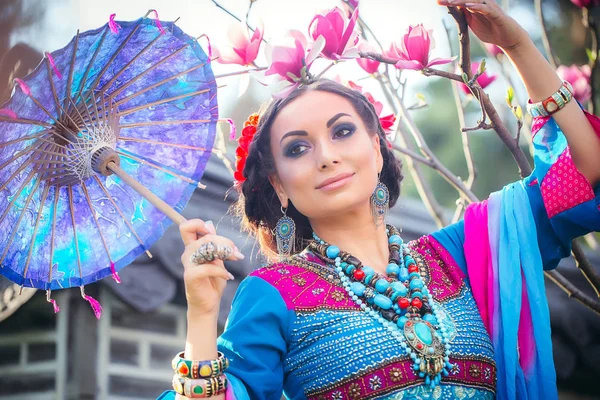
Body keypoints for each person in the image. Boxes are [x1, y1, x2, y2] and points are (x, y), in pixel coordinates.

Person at [159, 1, 600, 399]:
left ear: (376, 148)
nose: (327, 156)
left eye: (342, 131)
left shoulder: (463, 254)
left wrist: (518, 45)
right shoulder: (273, 294)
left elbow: (585, 172)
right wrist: (201, 313)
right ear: (278, 185)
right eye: (297, 148)